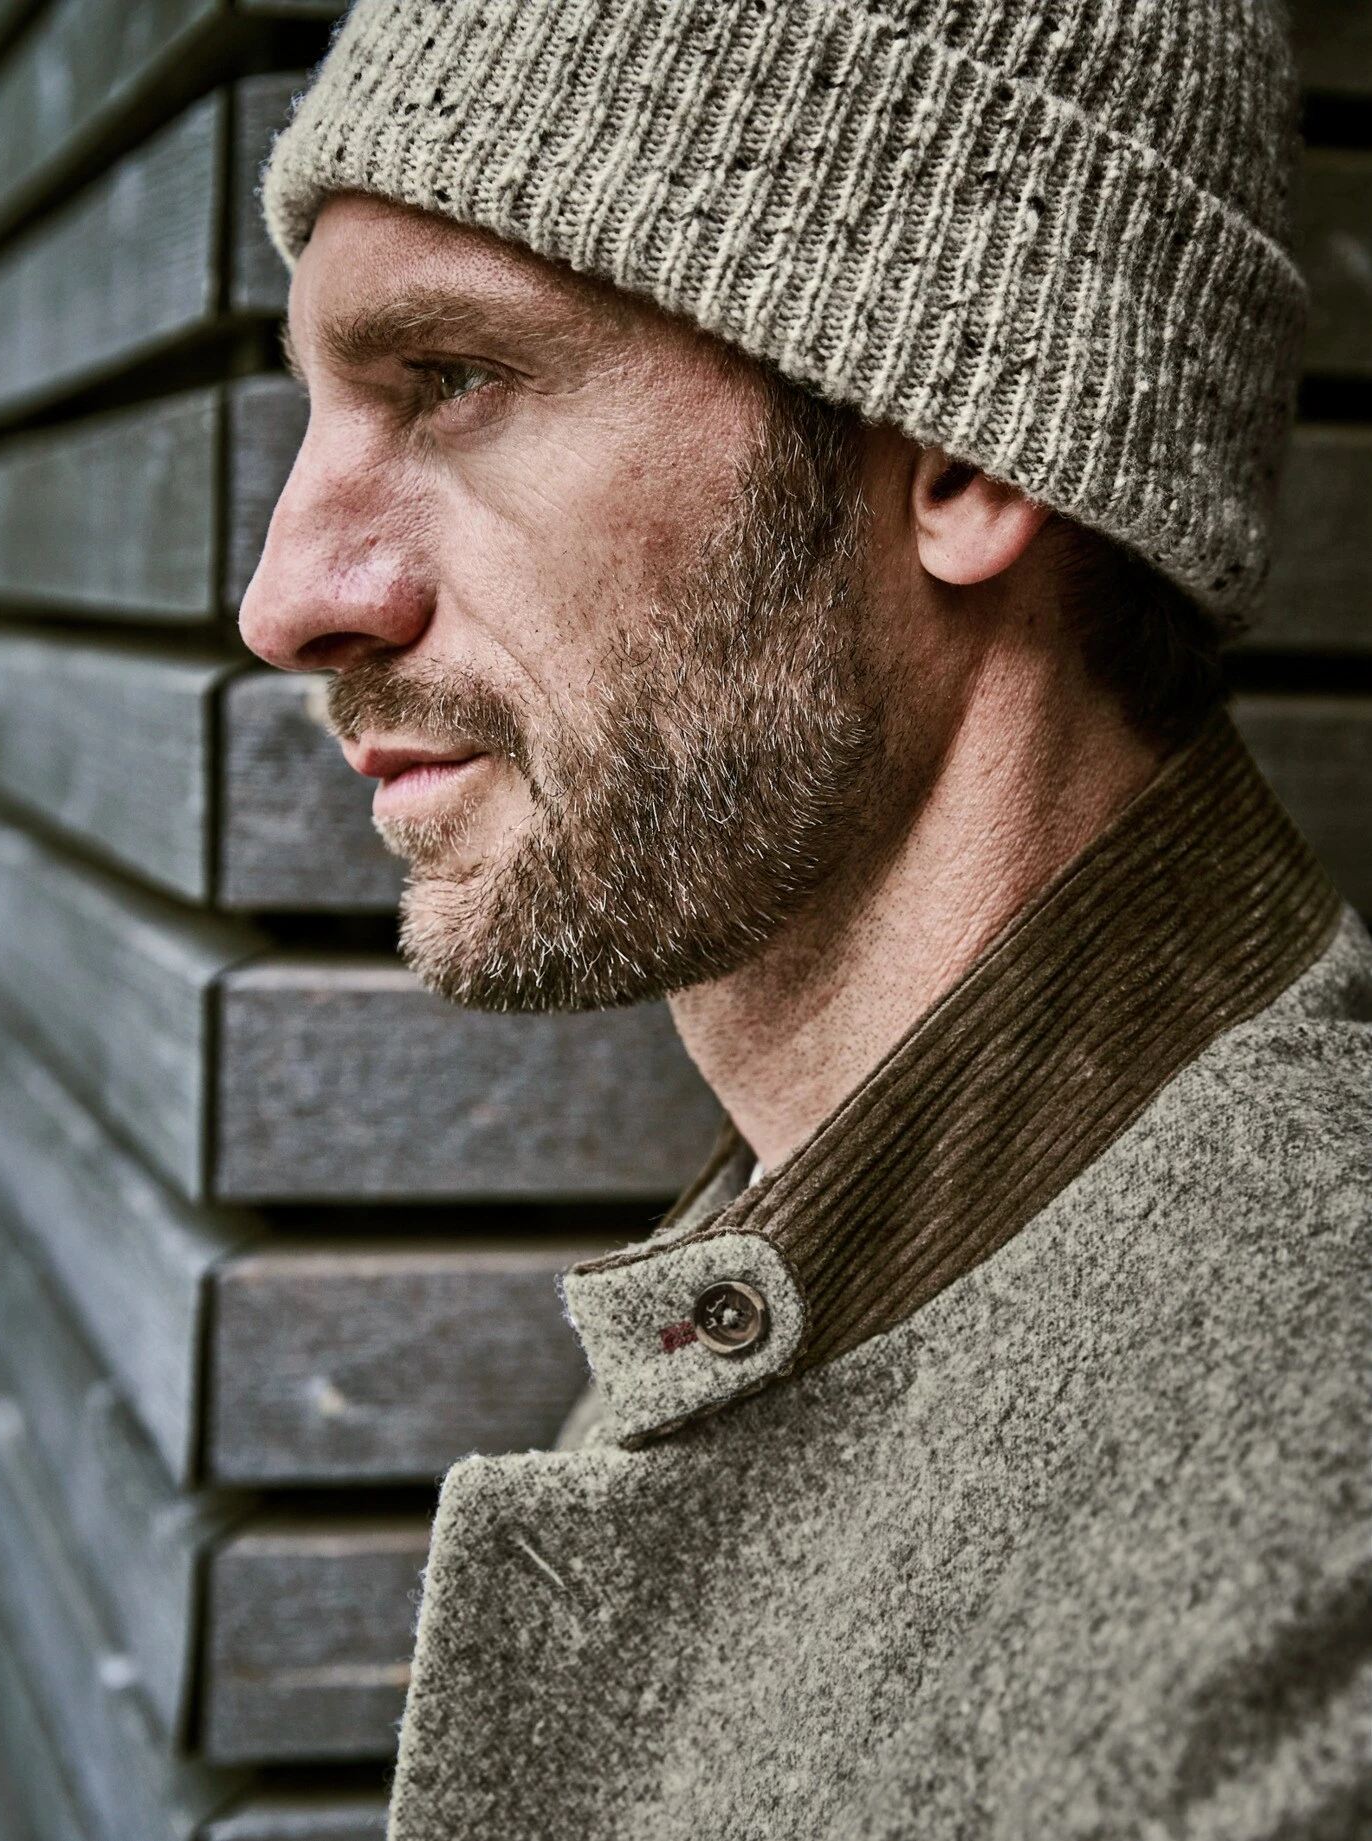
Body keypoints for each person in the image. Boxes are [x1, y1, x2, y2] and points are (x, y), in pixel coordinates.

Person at [240, 2, 1371, 1835]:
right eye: (318, 401)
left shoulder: (1301, 1582)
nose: (290, 595)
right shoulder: (835, 1264)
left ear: (968, 445)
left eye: (451, 376)